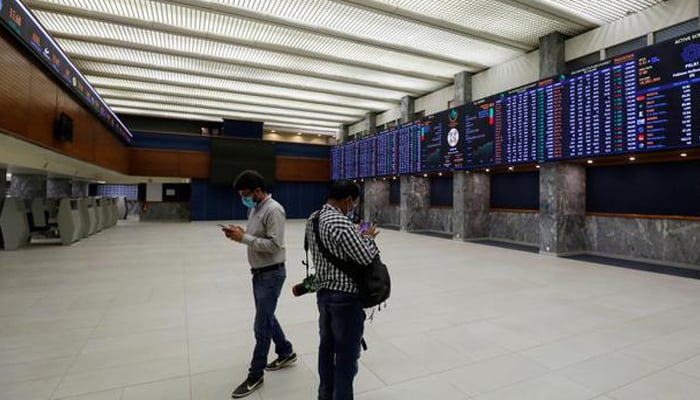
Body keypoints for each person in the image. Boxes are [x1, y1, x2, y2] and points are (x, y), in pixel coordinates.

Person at [223, 170, 296, 398]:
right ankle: (285, 351)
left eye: (245, 194)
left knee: (261, 325)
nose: (243, 198)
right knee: (267, 316)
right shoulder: (254, 208)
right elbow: (255, 237)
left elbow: (275, 245)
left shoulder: (274, 210)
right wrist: (240, 233)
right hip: (259, 273)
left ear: (257, 190)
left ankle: (256, 375)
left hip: (271, 274)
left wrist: (243, 238)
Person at [305, 180, 380, 400]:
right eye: (354, 203)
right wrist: (368, 238)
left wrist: (356, 237)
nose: (353, 207)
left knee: (326, 350)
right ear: (348, 200)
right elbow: (366, 257)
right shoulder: (340, 222)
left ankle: (325, 395)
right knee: (346, 358)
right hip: (346, 299)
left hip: (324, 296)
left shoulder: (313, 218)